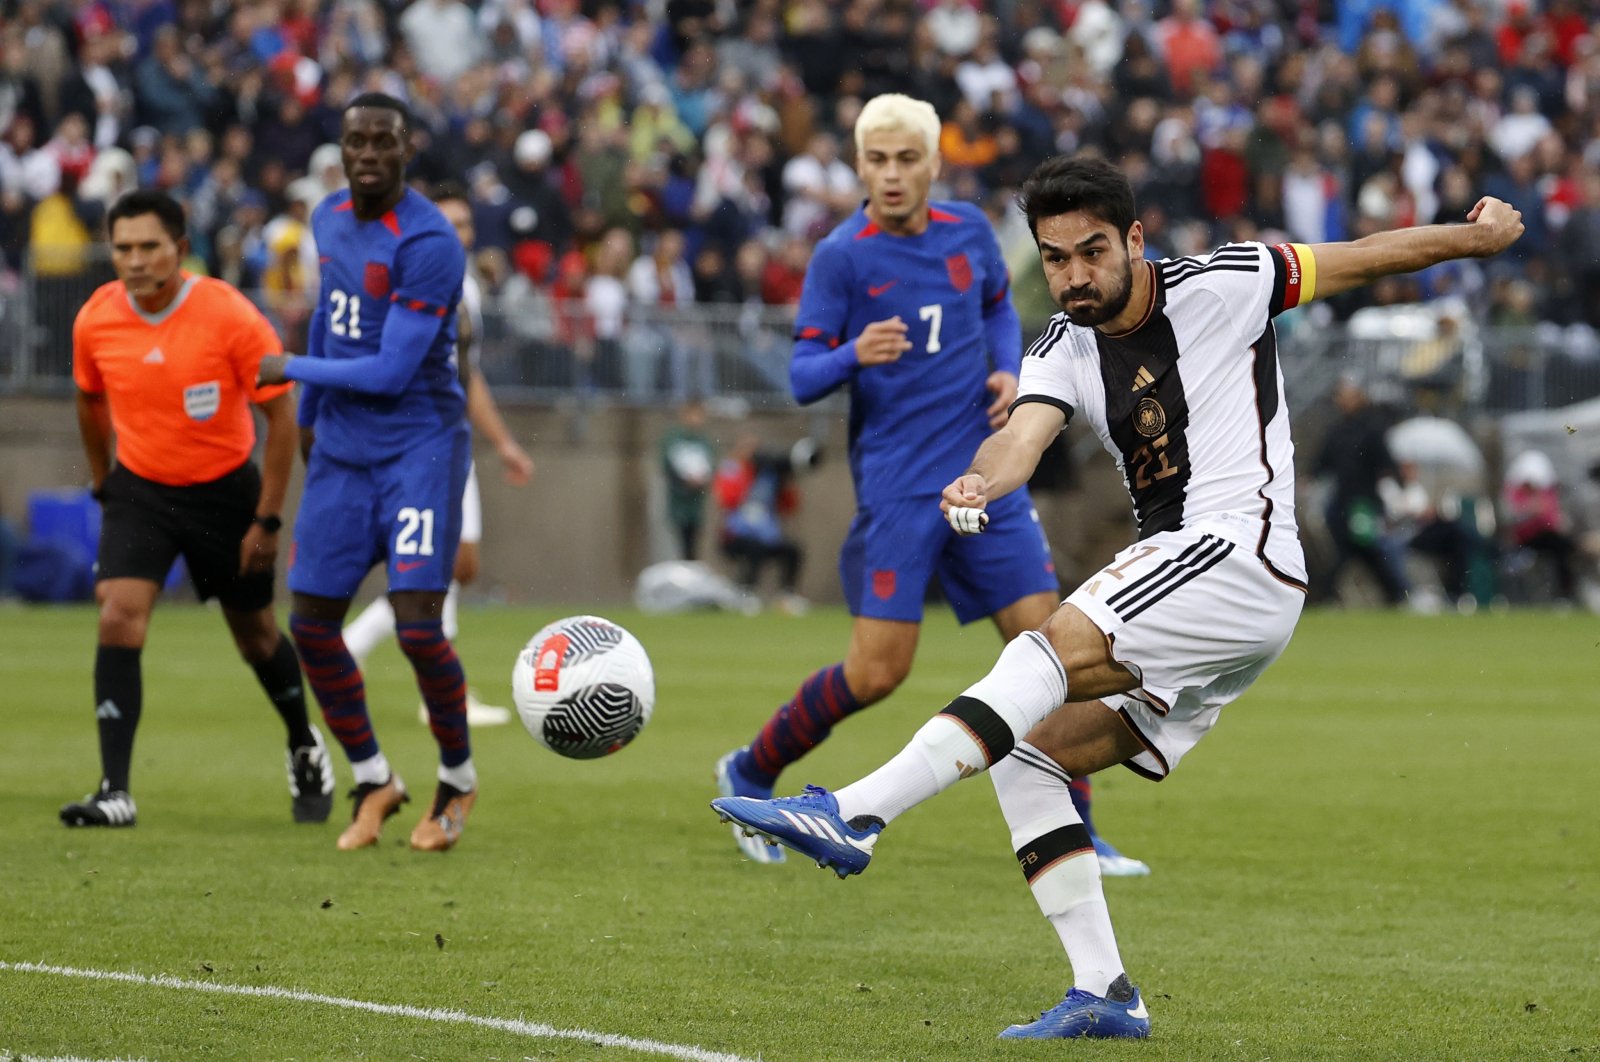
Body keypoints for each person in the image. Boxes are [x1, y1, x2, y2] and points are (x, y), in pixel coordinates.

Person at [712, 155, 1524, 1039]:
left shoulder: (1231, 280)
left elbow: (1369, 254)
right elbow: (1018, 439)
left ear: (1134, 239)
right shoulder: (1060, 347)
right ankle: (1105, 992)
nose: (1073, 276)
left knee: (1047, 647)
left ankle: (857, 813)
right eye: (1055, 259)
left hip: (1236, 548)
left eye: (1091, 252)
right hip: (1206, 590)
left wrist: (1474, 239)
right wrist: (978, 483)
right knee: (1032, 752)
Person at [711, 94, 1146, 877]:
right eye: (876, 160)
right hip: (901, 492)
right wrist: (853, 354)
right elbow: (803, 373)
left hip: (985, 482)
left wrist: (1010, 370)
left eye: (906, 159)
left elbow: (997, 312)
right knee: (878, 672)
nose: (891, 174)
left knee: (1051, 655)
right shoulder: (842, 256)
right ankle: (749, 767)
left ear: (933, 165)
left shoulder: (970, 234)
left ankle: (1079, 827)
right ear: (857, 165)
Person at [62, 188, 335, 829]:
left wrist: (267, 519)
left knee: (257, 637)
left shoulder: (230, 316)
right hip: (141, 491)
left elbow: (280, 418)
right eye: (122, 247)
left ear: (179, 249)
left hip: (224, 494)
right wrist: (105, 483)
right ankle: (114, 791)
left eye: (148, 246)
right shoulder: (95, 318)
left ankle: (303, 741)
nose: (133, 260)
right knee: (118, 616)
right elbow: (88, 400)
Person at [257, 93, 477, 853]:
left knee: (418, 626)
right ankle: (376, 778)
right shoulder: (325, 220)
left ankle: (457, 780)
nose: (370, 153)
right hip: (344, 451)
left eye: (385, 141)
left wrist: (287, 369)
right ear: (342, 149)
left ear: (406, 150)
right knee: (312, 626)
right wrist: (312, 419)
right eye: (358, 141)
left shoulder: (430, 241)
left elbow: (388, 371)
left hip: (419, 446)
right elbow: (330, 319)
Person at [340, 180, 536, 728]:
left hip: (448, 436)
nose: (460, 234)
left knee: (458, 565)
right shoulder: (409, 279)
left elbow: (466, 377)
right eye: (449, 224)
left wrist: (503, 443)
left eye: (467, 225)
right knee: (438, 560)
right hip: (416, 438)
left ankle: (357, 643)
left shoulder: (466, 287)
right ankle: (440, 694)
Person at [1313, 375, 1410, 606]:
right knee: (1350, 550)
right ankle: (1395, 594)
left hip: (1364, 503)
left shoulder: (1371, 428)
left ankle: (1395, 592)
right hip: (1341, 502)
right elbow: (1322, 463)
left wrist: (1399, 482)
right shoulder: (1337, 430)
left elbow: (1386, 460)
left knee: (1362, 550)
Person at [714, 432, 809, 611]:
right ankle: (746, 592)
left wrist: (786, 481)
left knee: (793, 551)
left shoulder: (771, 476)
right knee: (753, 548)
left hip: (767, 535)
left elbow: (790, 506)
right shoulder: (732, 468)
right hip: (736, 534)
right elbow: (728, 498)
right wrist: (749, 474)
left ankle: (787, 595)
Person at [659, 396, 716, 561]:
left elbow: (711, 464)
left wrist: (702, 478)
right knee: (679, 541)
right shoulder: (673, 438)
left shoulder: (704, 440)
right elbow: (667, 464)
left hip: (696, 501)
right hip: (679, 499)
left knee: (693, 542)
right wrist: (685, 479)